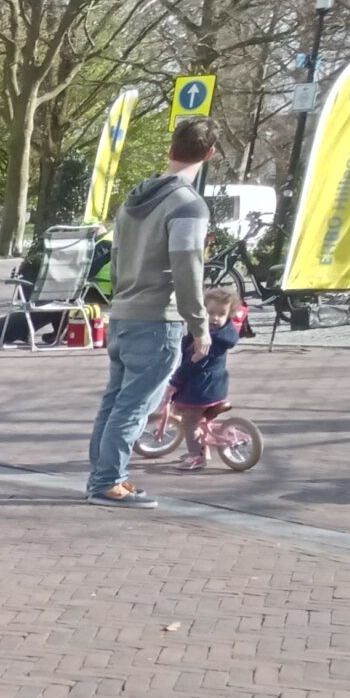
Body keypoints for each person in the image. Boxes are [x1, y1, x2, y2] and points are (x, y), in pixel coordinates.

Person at [89, 117, 214, 508]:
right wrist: (200, 326)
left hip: (123, 313)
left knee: (115, 402)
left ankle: (106, 476)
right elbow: (186, 266)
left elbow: (119, 256)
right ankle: (108, 482)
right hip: (157, 318)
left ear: (170, 149)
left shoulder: (133, 199)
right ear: (209, 154)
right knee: (134, 406)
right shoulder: (188, 205)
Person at [166, 281, 244, 471]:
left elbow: (193, 365)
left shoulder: (211, 341)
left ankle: (196, 457)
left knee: (189, 422)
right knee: (200, 418)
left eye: (221, 314)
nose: (215, 318)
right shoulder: (221, 334)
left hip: (202, 388)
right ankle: (203, 449)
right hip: (215, 387)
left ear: (229, 315)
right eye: (210, 313)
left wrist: (175, 382)